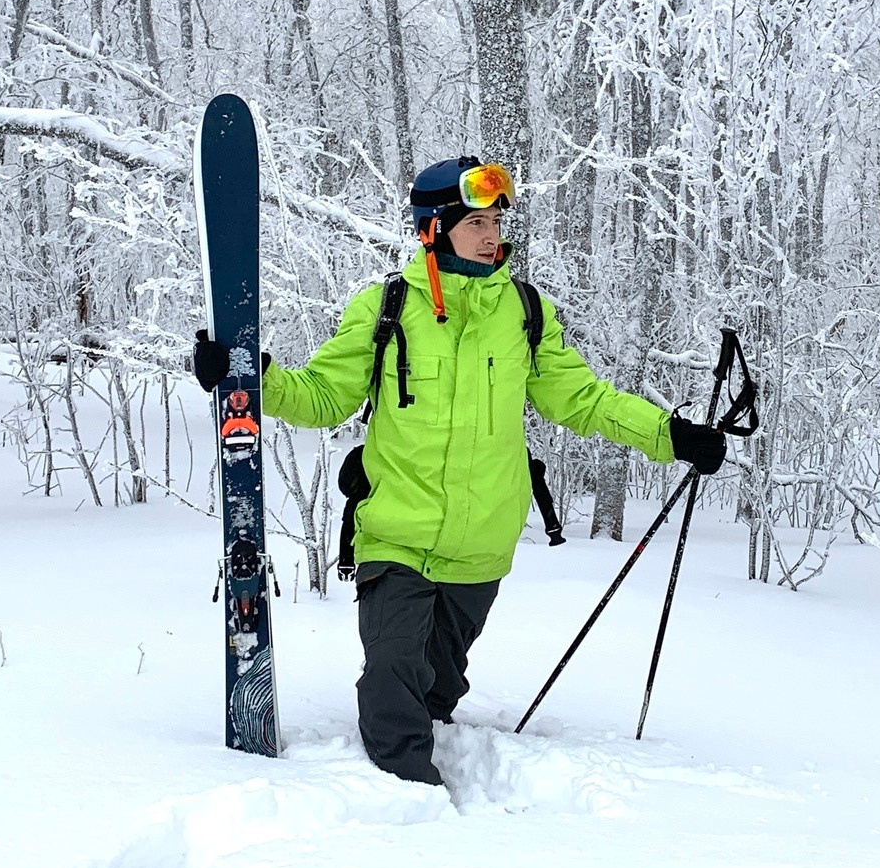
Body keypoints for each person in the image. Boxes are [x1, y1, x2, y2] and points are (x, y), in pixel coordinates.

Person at [194, 156, 726, 786]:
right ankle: (408, 810)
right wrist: (252, 377)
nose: (491, 230)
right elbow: (322, 395)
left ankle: (427, 771)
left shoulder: (526, 312)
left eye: (497, 216)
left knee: (436, 689)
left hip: (482, 545)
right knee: (393, 681)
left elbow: (583, 399)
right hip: (397, 532)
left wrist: (671, 435)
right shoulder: (386, 307)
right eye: (476, 219)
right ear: (434, 227)